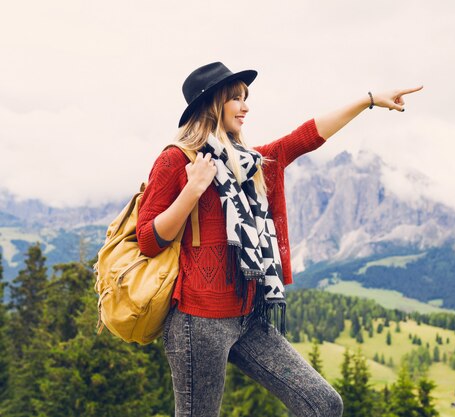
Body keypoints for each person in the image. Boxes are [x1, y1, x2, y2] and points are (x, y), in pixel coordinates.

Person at [136, 61, 422, 417]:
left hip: (249, 316)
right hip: (199, 323)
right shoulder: (174, 160)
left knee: (322, 404)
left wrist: (367, 101)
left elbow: (304, 137)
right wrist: (192, 190)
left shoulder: (250, 162)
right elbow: (147, 239)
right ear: (211, 104)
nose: (245, 106)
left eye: (245, 98)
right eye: (236, 98)